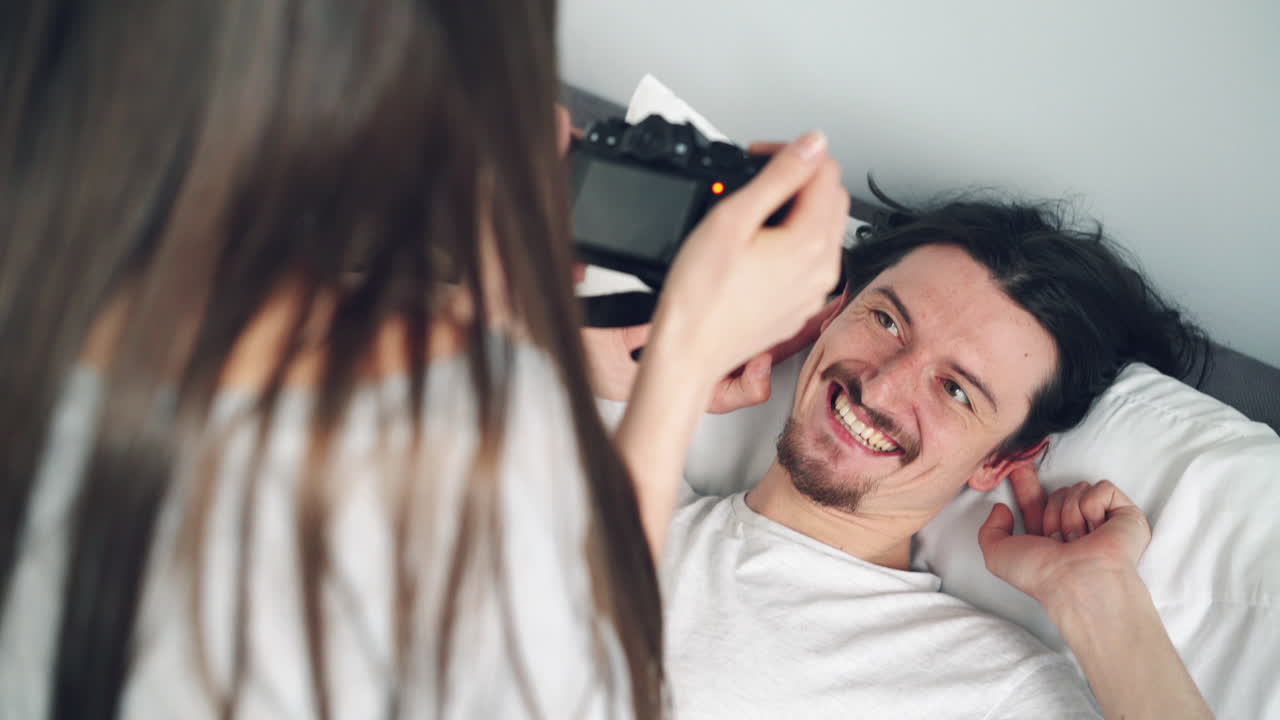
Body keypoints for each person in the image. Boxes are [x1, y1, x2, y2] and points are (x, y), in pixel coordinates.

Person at [0, 1, 850, 718]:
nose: (556, 127)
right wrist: (683, 355)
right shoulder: (466, 434)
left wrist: (491, 312)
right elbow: (591, 681)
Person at [588, 201, 1216, 719]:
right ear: (833, 313)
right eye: (887, 321)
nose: (882, 387)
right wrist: (656, 370)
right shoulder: (613, 494)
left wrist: (1101, 600)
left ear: (1001, 461)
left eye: (956, 390)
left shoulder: (991, 688)